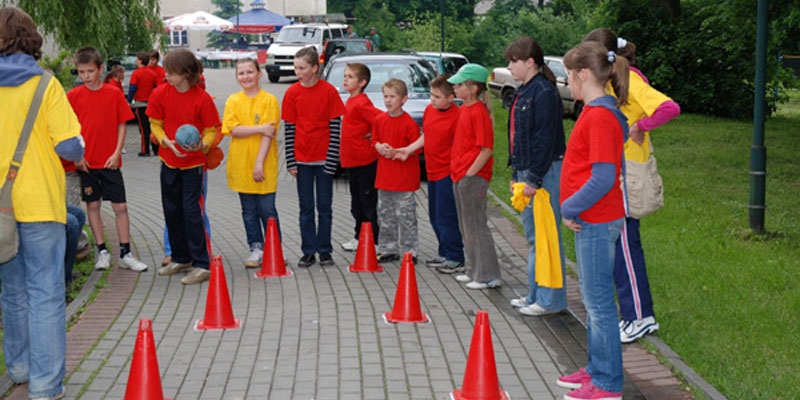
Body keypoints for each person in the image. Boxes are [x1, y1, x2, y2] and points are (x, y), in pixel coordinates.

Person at [0, 6, 85, 399]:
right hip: (39, 203)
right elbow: (68, 145)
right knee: (46, 293)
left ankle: (17, 367)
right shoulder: (46, 85)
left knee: (12, 291)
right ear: (31, 37)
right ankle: (46, 386)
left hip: (1, 208)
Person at [583, 28, 681, 343]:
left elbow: (669, 107)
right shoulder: (610, 83)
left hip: (627, 176)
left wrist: (641, 125)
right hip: (613, 175)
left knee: (626, 246)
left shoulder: (631, 81)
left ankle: (639, 316)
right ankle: (633, 313)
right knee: (620, 246)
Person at [556, 40, 629, 400]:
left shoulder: (600, 116)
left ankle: (607, 383)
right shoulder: (598, 110)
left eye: (568, 75)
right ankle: (597, 368)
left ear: (582, 74)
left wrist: (569, 207)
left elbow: (602, 177)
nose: (567, 82)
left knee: (599, 304)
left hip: (596, 221)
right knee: (593, 299)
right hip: (593, 218)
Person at [68, 46, 148, 273]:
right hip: (86, 163)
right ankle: (102, 251)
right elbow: (69, 129)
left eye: (90, 71)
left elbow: (122, 124)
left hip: (109, 161)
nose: (85, 76)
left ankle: (126, 252)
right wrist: (77, 157)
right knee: (92, 205)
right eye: (81, 72)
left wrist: (116, 152)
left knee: (120, 206)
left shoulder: (113, 93)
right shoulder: (73, 96)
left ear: (100, 70)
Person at [503, 36, 568, 316]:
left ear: (530, 62)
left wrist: (533, 179)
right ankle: (535, 294)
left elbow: (544, 140)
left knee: (546, 236)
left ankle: (551, 300)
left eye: (512, 61)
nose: (509, 66)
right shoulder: (524, 91)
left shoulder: (543, 92)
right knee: (533, 236)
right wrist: (517, 173)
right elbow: (518, 138)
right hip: (527, 171)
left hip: (543, 173)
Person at [147, 48, 220, 285]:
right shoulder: (159, 94)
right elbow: (154, 123)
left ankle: (201, 264)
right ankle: (180, 257)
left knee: (191, 211)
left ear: (187, 73)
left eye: (172, 72)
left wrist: (203, 145)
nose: (166, 74)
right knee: (172, 209)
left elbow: (212, 129)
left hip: (194, 164)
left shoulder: (202, 99)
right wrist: (164, 140)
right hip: (169, 161)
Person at [281, 46, 345, 267]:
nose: (297, 72)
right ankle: (308, 250)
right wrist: (290, 160)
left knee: (325, 207)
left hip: (323, 159)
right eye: (295, 68)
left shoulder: (328, 92)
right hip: (302, 160)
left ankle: (325, 250)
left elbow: (335, 127)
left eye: (302, 68)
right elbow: (289, 129)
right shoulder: (292, 93)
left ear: (315, 68)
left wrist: (332, 159)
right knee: (306, 207)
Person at [396, 74, 465, 273]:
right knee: (434, 215)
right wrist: (409, 149)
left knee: (446, 215)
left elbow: (461, 145)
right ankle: (443, 251)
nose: (432, 100)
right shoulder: (429, 110)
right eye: (431, 95)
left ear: (451, 97)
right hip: (432, 170)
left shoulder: (457, 116)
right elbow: (426, 136)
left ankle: (455, 256)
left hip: (447, 172)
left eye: (437, 96)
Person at [447, 64, 502, 289]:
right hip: (460, 175)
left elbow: (486, 149)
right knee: (466, 225)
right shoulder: (465, 110)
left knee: (476, 226)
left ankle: (487, 275)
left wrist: (470, 173)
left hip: (472, 177)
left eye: (459, 85)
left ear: (472, 87)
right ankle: (473, 269)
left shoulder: (479, 112)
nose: (455, 89)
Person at [222, 58, 281, 268]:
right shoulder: (233, 101)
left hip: (264, 164)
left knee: (267, 209)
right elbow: (232, 129)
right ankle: (255, 247)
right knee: (248, 211)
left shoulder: (269, 100)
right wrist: (259, 128)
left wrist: (259, 164)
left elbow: (270, 133)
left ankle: (275, 248)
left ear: (259, 74)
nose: (246, 77)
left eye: (250, 72)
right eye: (241, 73)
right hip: (240, 165)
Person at [371, 78, 422, 262]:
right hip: (384, 178)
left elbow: (417, 148)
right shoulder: (379, 120)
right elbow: (374, 140)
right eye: (385, 96)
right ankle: (388, 248)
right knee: (385, 215)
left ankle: (410, 250)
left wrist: (395, 151)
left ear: (403, 99)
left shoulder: (409, 123)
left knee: (406, 217)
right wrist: (379, 147)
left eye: (393, 96)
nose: (388, 100)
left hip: (404, 179)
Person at [339, 62, 382, 252]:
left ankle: (374, 239)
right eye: (345, 76)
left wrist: (375, 135)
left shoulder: (362, 103)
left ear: (362, 82)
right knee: (356, 202)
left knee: (367, 202)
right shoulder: (350, 101)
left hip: (365, 161)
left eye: (350, 77)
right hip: (352, 161)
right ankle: (360, 236)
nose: (345, 79)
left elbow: (381, 119)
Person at [128, 51, 159, 157]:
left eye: (137, 60)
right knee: (153, 126)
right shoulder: (152, 73)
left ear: (140, 61)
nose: (136, 62)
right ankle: (156, 149)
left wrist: (129, 100)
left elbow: (133, 88)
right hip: (151, 103)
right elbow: (155, 88)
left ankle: (145, 150)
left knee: (143, 128)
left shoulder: (136, 73)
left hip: (140, 103)